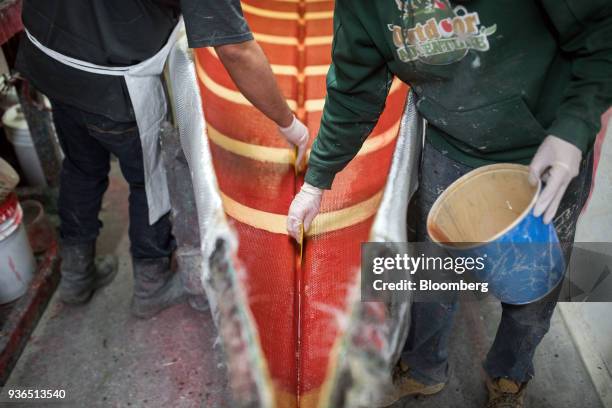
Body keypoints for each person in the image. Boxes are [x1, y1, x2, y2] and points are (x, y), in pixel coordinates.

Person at [286, 0, 612, 407]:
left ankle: (509, 375)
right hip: (451, 145)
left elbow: (602, 33)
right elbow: (353, 92)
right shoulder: (366, 7)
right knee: (435, 271)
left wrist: (575, 125)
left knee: (532, 286)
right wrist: (316, 182)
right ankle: (423, 368)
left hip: (545, 147)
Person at [17, 0, 308, 319]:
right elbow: (236, 51)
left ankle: (75, 275)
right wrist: (289, 124)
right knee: (149, 179)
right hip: (110, 78)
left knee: (81, 165)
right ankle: (150, 284)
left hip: (48, 54)